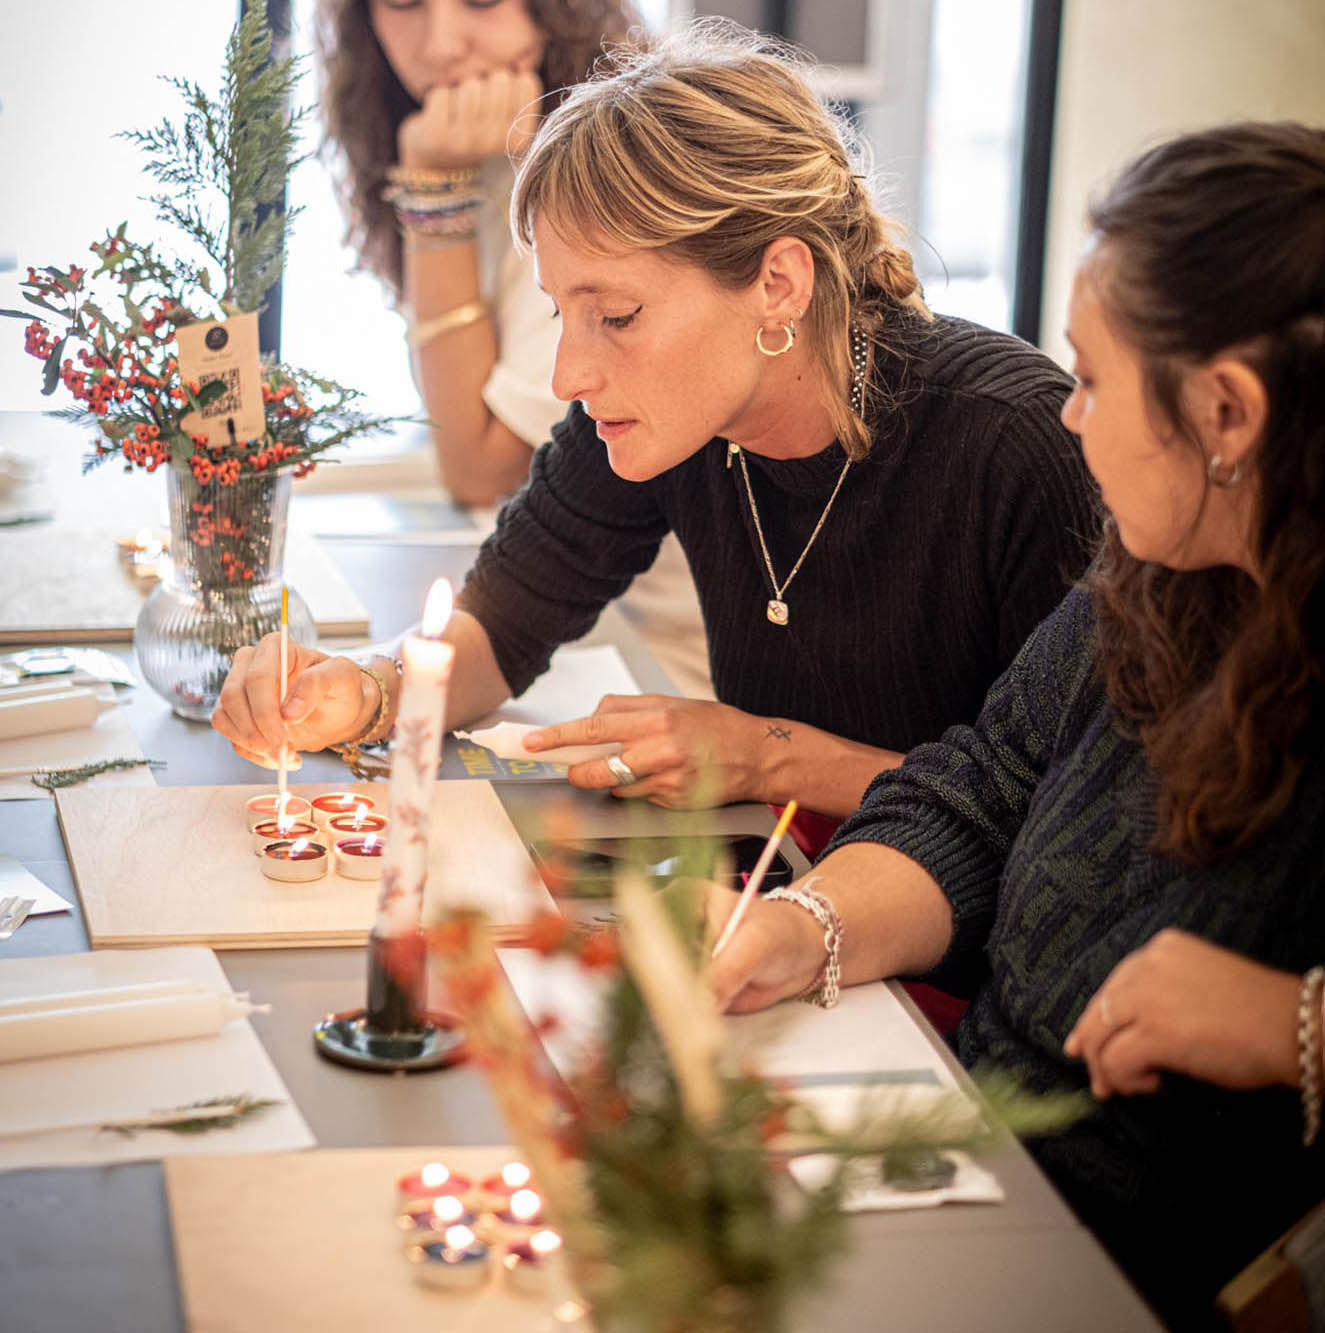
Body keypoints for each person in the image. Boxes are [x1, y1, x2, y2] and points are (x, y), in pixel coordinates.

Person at [706, 122, 1325, 1328]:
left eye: (1093, 378)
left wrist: (1297, 1024)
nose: (1070, 416)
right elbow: (979, 788)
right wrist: (806, 924)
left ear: (1230, 414)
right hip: (974, 1158)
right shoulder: (1153, 574)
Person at [213, 22, 1098, 822]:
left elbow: (1063, 813)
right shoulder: (670, 417)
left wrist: (763, 757)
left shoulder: (1013, 442)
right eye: (562, 312)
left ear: (778, 284)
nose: (569, 373)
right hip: (779, 871)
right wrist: (363, 688)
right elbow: (501, 624)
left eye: (618, 316)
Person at [318, 0, 714, 697]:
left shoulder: (610, 169)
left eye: (479, 0)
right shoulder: (490, 156)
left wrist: (432, 185)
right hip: (586, 612)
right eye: (403, 4)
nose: (441, 45)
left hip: (677, 653)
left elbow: (478, 463)